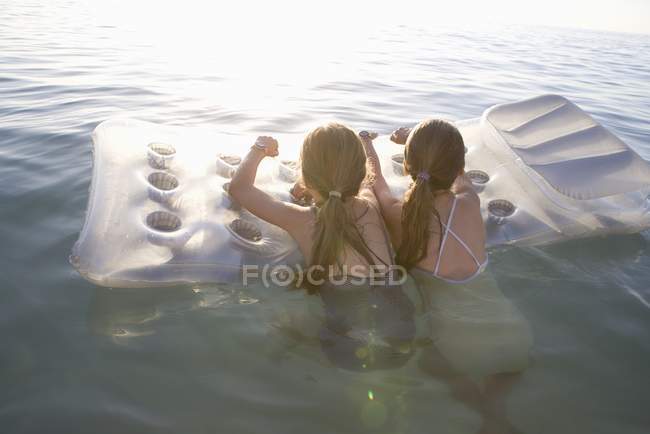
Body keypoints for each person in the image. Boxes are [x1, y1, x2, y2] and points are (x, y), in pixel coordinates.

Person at [361, 121, 532, 433]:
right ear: (460, 166)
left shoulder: (398, 214)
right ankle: (495, 408)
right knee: (506, 371)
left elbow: (375, 181)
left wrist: (367, 143)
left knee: (429, 362)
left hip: (456, 346)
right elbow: (458, 176)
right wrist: (416, 146)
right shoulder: (469, 202)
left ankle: (486, 412)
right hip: (516, 337)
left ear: (408, 166)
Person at [229, 122, 415, 370]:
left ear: (304, 176)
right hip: (404, 332)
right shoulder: (370, 204)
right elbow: (369, 176)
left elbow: (239, 189)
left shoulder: (300, 219)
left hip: (342, 346)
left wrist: (260, 147)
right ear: (359, 174)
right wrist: (366, 142)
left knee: (283, 324)